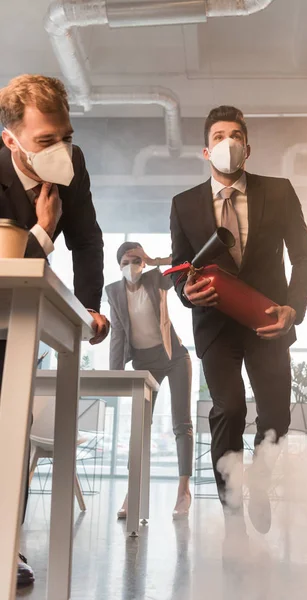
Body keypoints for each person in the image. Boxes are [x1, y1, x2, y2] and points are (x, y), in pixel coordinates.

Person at [169, 106, 307, 541]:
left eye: (235, 135)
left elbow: (304, 257)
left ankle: (261, 480)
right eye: (218, 135)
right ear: (205, 149)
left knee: (276, 417)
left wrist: (294, 308)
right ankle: (232, 509)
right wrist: (185, 292)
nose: (226, 142)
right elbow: (181, 268)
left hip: (268, 321)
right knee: (228, 409)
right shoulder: (184, 204)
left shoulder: (280, 191)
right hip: (215, 326)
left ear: (247, 149)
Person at [0, 74, 109, 587]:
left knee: (13, 433)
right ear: (11, 140)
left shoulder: (73, 164)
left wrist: (90, 309)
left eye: (66, 135)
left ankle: (7, 545)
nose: (61, 149)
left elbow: (87, 239)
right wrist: (43, 230)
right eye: (46, 141)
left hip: (24, 322)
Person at [106, 242, 193, 519]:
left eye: (136, 260)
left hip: (174, 357)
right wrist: (115, 376)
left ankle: (183, 492)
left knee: (182, 423)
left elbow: (186, 261)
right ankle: (133, 493)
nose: (131, 265)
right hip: (144, 363)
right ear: (118, 265)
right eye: (125, 261)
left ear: (143, 263)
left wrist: (155, 259)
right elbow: (118, 335)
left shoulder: (156, 280)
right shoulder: (114, 293)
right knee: (140, 427)